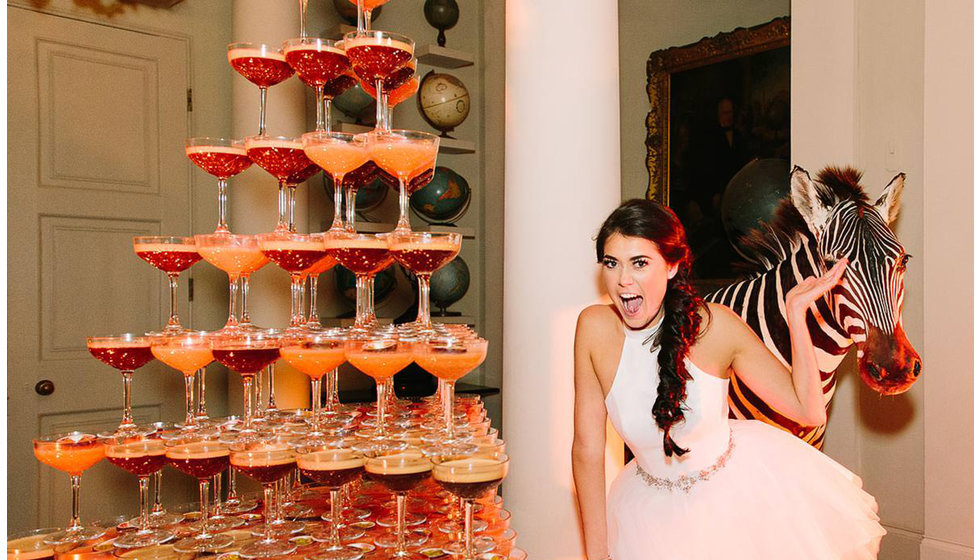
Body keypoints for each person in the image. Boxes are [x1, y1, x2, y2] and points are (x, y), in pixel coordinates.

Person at [572, 199, 885, 560]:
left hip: (735, 508)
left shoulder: (716, 326)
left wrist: (797, 313)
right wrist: (595, 556)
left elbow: (809, 412)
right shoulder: (592, 328)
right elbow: (587, 450)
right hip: (643, 517)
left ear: (672, 266)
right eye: (612, 263)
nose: (624, 280)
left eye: (640, 263)